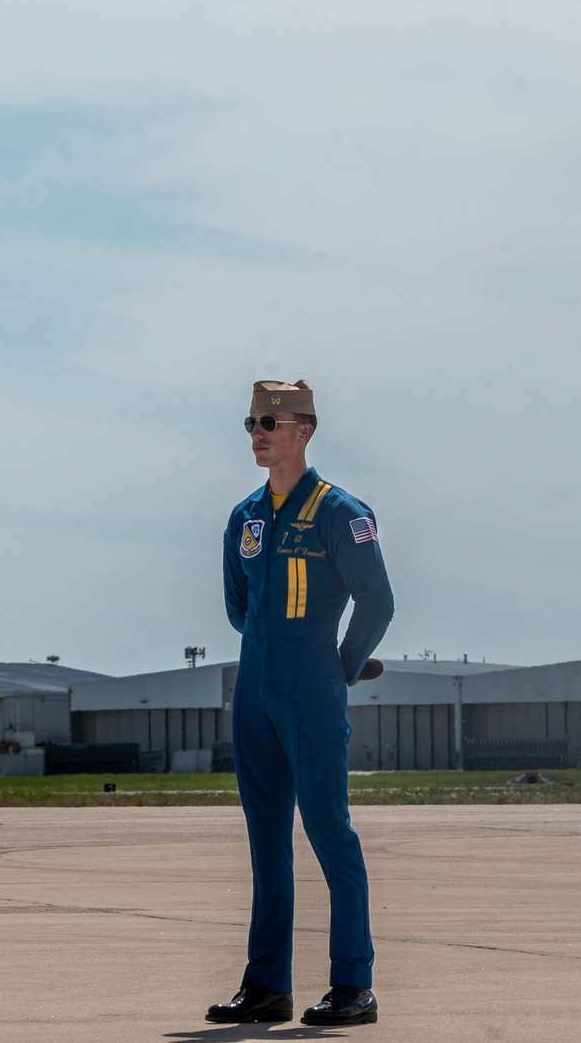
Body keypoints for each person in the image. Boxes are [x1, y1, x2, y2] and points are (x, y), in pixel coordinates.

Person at [206, 379, 394, 1027]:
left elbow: (379, 601)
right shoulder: (244, 517)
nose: (257, 432)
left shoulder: (343, 512)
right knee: (265, 843)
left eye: (269, 421)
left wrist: (336, 669)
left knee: (329, 832)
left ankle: (353, 986)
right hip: (254, 691)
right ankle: (265, 987)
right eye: (251, 421)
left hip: (312, 689)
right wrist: (269, 651)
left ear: (303, 430)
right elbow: (238, 605)